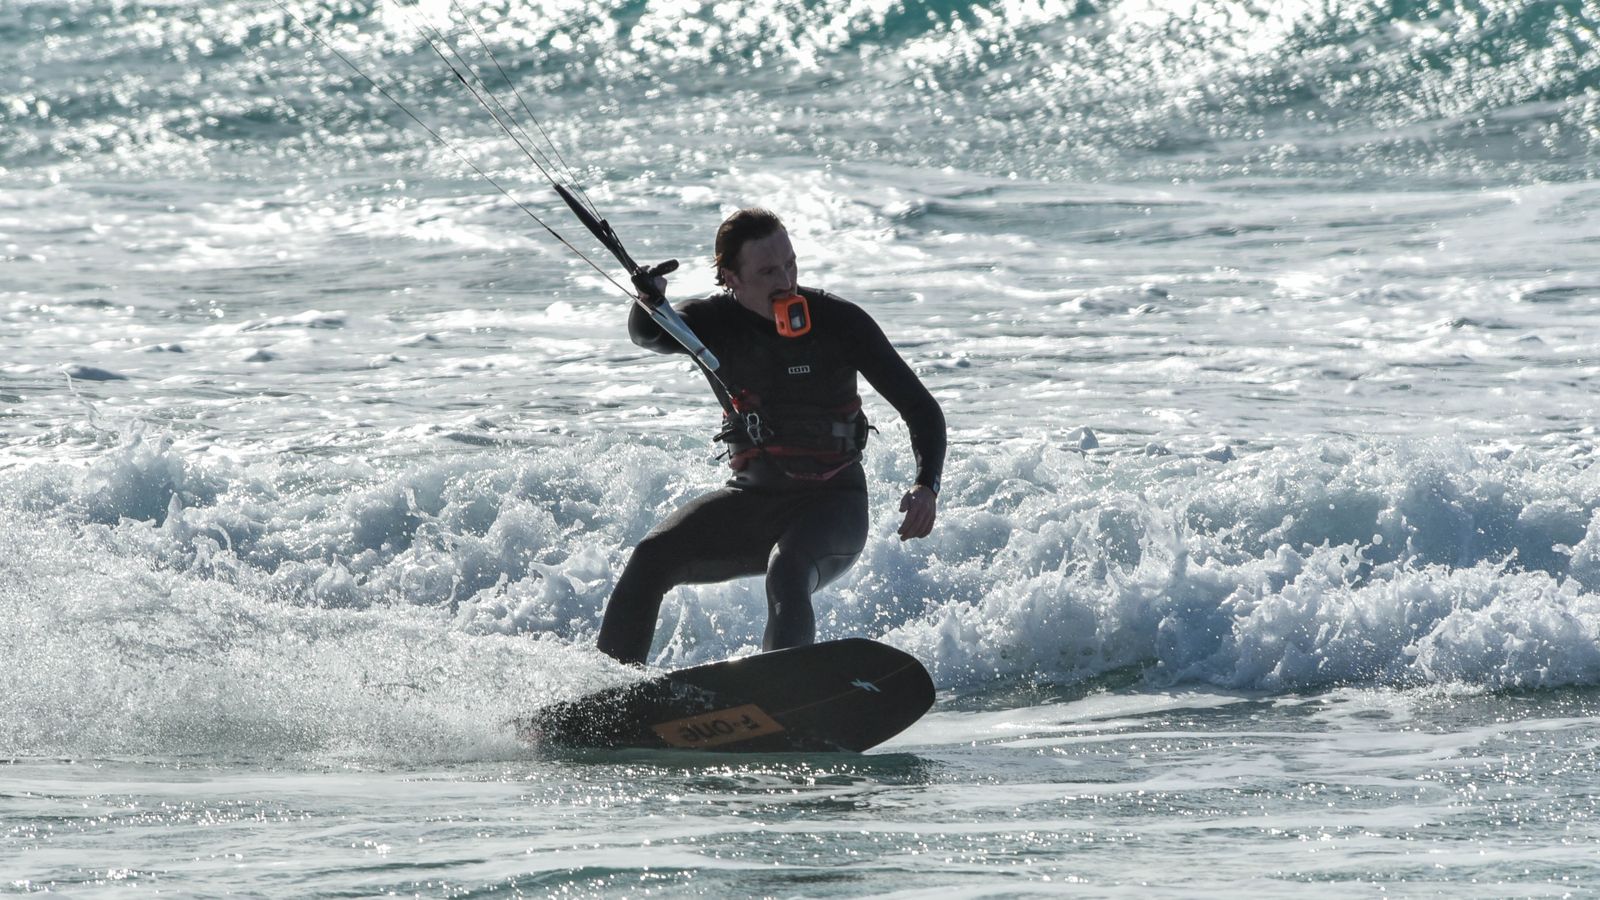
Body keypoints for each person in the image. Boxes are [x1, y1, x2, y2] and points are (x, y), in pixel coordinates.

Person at [596, 208, 946, 665]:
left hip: (832, 505)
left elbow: (921, 408)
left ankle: (785, 688)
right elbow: (651, 335)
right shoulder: (709, 322)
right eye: (766, 270)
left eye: (790, 264)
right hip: (753, 500)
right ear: (730, 278)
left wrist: (927, 484)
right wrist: (646, 300)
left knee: (789, 569)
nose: (785, 280)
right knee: (651, 557)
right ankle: (607, 705)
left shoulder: (839, 322)